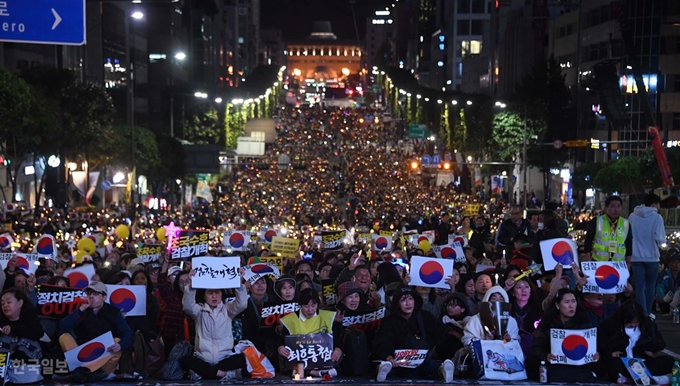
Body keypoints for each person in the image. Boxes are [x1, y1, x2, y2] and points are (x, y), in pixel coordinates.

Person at [373, 285, 454, 383]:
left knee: (429, 365)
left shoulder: (425, 316)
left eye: (410, 299)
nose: (408, 303)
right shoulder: (389, 321)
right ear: (397, 303)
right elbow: (382, 341)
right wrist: (389, 356)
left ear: (415, 301)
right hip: (398, 361)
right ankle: (384, 369)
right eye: (403, 300)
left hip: (421, 359)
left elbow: (441, 331)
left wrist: (430, 346)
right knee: (390, 366)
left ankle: (443, 369)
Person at [58, 281, 133, 381]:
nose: (91, 296)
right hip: (84, 353)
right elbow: (63, 327)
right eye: (89, 293)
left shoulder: (113, 312)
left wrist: (120, 345)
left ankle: (86, 372)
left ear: (104, 297)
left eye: (95, 293)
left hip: (104, 355)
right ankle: (85, 372)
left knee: (117, 341)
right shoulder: (81, 310)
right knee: (64, 337)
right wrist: (81, 310)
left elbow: (128, 333)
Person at [181, 269, 248, 381]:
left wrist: (239, 284)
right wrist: (192, 286)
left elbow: (242, 304)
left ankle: (206, 373)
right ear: (204, 296)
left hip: (224, 358)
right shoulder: (199, 311)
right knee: (186, 360)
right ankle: (222, 374)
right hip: (203, 358)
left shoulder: (228, 310)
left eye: (217, 292)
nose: (214, 296)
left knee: (241, 359)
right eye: (210, 293)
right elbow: (188, 306)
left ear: (221, 294)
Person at [527, 288, 600, 383]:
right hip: (554, 364)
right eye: (567, 302)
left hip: (578, 364)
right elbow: (535, 348)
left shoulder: (584, 321)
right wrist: (546, 356)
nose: (571, 306)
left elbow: (593, 346)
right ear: (557, 305)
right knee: (532, 363)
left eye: (573, 302)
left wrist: (596, 355)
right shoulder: (547, 323)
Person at [598, 300, 673, 384]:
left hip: (642, 362)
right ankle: (655, 379)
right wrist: (611, 352)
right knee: (612, 363)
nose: (633, 325)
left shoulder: (647, 324)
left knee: (668, 361)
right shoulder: (609, 325)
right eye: (629, 322)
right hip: (622, 362)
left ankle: (630, 379)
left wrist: (650, 348)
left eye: (636, 322)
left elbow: (660, 343)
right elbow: (601, 343)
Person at [278, 288, 341, 378]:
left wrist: (338, 349)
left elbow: (337, 341)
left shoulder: (326, 317)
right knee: (286, 358)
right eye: (306, 306)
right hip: (301, 359)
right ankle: (314, 372)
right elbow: (281, 342)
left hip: (322, 357)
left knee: (340, 354)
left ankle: (316, 371)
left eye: (313, 305)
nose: (310, 310)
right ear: (300, 305)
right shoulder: (290, 320)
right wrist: (280, 348)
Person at [628, 193, 665, 317]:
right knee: (650, 286)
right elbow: (660, 239)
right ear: (654, 204)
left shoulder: (632, 216)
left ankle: (641, 314)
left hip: (636, 257)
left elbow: (628, 236)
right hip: (652, 257)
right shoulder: (657, 217)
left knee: (640, 287)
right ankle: (648, 313)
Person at [0, 289, 45, 384]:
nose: (5, 305)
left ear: (20, 303)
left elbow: (38, 333)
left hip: (26, 370)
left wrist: (13, 329)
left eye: (9, 302)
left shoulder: (29, 319)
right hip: (4, 365)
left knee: (26, 342)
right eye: (2, 303)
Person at [583, 195, 632, 262]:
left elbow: (628, 244)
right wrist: (588, 260)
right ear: (606, 208)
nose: (616, 209)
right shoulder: (597, 221)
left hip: (618, 263)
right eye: (612, 206)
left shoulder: (625, 223)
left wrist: (628, 263)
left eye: (618, 206)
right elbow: (588, 241)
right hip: (599, 261)